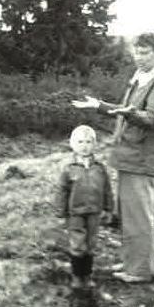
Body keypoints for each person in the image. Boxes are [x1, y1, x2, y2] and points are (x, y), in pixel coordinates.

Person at [72, 33, 154, 283]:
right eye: (136, 52)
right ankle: (133, 261)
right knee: (129, 214)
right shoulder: (141, 78)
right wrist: (98, 105)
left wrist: (130, 114)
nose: (138, 57)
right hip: (129, 154)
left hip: (142, 157)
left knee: (139, 216)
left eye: (144, 52)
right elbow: (125, 111)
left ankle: (140, 270)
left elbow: (151, 119)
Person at [56, 124, 114, 289]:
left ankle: (87, 276)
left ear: (94, 144)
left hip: (94, 212)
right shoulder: (68, 168)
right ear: (73, 145)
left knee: (91, 244)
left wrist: (109, 209)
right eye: (80, 142)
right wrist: (61, 213)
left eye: (88, 142)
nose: (84, 145)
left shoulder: (100, 168)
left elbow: (107, 190)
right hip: (75, 214)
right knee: (78, 245)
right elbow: (61, 191)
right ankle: (77, 276)